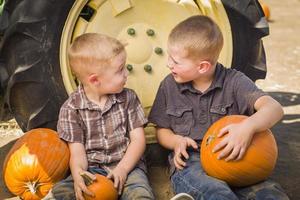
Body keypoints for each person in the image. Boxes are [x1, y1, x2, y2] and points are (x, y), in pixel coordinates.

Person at [148, 15, 289, 200]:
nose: (168, 64)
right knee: (215, 193)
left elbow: (275, 108)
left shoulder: (234, 81)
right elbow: (161, 130)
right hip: (192, 160)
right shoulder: (169, 86)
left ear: (202, 67)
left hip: (236, 155)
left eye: (176, 61)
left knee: (269, 193)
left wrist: (248, 127)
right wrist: (176, 141)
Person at [44, 33, 154, 200]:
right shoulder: (71, 109)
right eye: (120, 70)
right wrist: (79, 174)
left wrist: (123, 169)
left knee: (139, 193)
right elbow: (77, 152)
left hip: (127, 165)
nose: (126, 74)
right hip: (92, 169)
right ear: (95, 80)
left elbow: (138, 140)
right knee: (64, 191)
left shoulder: (128, 98)